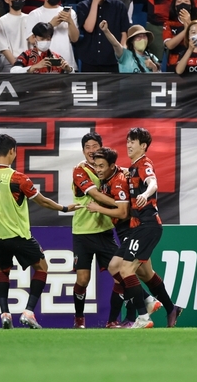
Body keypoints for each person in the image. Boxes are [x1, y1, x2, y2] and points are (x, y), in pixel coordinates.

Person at [0, 133, 80, 329]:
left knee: (3, 269)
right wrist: (64, 208)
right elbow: (41, 201)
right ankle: (28, 312)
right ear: (12, 152)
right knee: (42, 267)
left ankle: (5, 314)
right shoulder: (18, 178)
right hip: (17, 234)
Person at [108, 127, 182, 328]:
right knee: (124, 268)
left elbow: (153, 182)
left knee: (126, 268)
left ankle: (143, 316)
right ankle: (170, 307)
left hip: (147, 225)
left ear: (143, 146)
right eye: (128, 141)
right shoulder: (131, 168)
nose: (129, 145)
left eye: (134, 141)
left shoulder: (144, 163)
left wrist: (145, 194)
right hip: (136, 227)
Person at [86, 147, 162, 328]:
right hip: (127, 230)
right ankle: (154, 307)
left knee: (122, 269)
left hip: (133, 229)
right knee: (136, 273)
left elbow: (123, 211)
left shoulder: (130, 173)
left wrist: (98, 208)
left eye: (101, 165)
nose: (97, 168)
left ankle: (145, 309)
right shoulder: (124, 172)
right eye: (95, 165)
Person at [71, 132, 121, 328]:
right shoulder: (79, 170)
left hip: (105, 230)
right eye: (87, 147)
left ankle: (112, 321)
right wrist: (121, 205)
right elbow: (95, 195)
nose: (91, 150)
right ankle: (79, 319)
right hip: (82, 231)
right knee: (83, 279)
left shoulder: (110, 169)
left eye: (94, 146)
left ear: (101, 148)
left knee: (120, 275)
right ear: (83, 151)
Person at [76, 0, 130, 72]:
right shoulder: (82, 6)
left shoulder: (119, 6)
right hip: (89, 61)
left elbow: (124, 33)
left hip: (112, 60)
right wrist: (95, 2)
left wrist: (122, 54)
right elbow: (89, 28)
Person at [25, 0, 79, 71]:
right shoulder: (34, 14)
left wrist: (70, 21)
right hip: (42, 64)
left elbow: (74, 39)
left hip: (66, 63)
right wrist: (50, 25)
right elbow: (32, 40)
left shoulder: (70, 13)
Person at [0, 0, 29, 72]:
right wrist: (17, 66)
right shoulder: (1, 21)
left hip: (28, 62)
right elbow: (3, 48)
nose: (19, 0)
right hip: (9, 63)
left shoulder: (29, 18)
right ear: (7, 0)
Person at [163, 0, 197, 71]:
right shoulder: (168, 24)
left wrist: (189, 22)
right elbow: (170, 45)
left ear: (191, 5)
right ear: (175, 6)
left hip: (195, 63)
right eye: (179, 1)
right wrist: (186, 28)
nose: (183, 4)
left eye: (186, 1)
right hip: (174, 63)